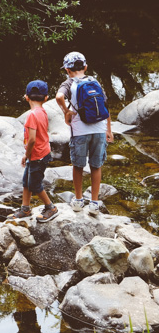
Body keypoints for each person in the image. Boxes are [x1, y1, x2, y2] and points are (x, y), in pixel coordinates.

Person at [55, 51, 114, 214]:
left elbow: (59, 96)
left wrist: (66, 111)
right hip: (99, 130)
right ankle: (94, 203)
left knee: (78, 166)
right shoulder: (94, 81)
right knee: (96, 166)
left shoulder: (68, 83)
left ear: (67, 70)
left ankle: (79, 200)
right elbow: (105, 106)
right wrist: (109, 130)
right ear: (85, 67)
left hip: (80, 132)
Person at [8, 80, 58, 222]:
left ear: (26, 97)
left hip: (37, 155)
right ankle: (25, 209)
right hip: (42, 153)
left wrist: (26, 154)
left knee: (35, 184)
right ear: (46, 98)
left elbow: (31, 140)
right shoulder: (42, 112)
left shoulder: (31, 115)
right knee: (26, 182)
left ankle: (51, 207)